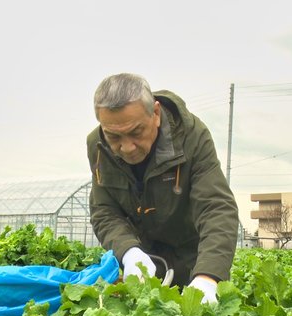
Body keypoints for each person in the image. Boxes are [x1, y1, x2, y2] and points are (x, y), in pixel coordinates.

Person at [86, 73, 239, 303]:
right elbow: (104, 211)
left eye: (136, 132)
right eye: (114, 136)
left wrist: (209, 276)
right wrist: (128, 252)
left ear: (155, 114)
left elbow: (216, 208)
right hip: (142, 269)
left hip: (191, 261)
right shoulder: (96, 146)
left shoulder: (192, 136)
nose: (127, 147)